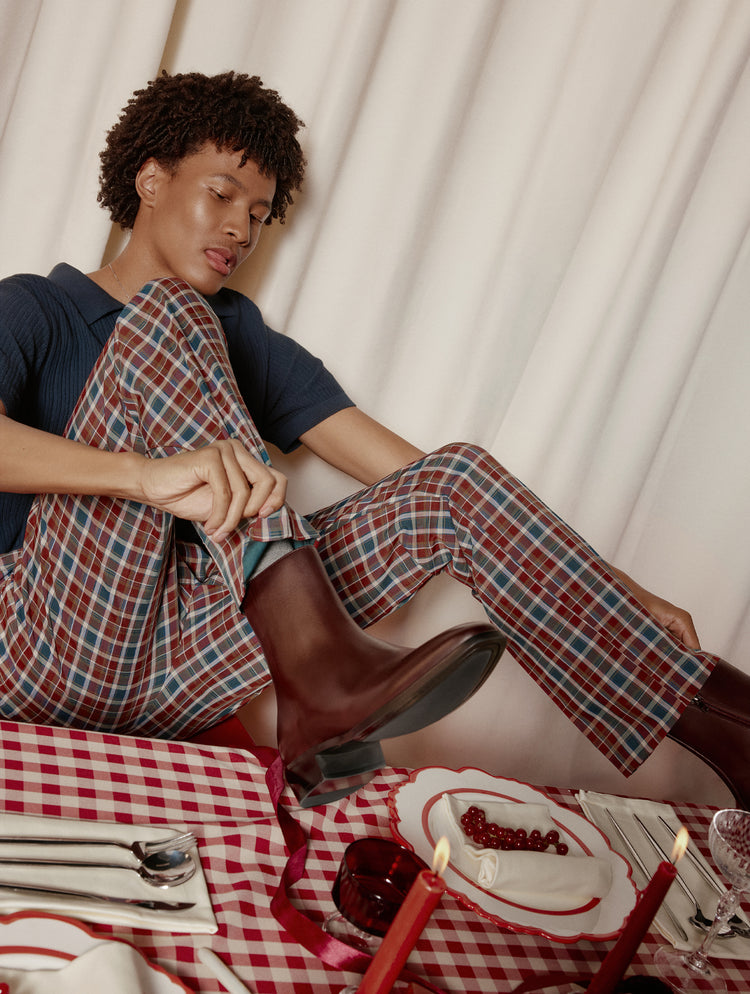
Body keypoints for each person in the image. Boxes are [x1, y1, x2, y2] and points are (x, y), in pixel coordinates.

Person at [0, 71, 747, 809]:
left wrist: (622, 589)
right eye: (222, 193)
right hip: (49, 645)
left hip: (187, 663)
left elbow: (409, 472)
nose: (240, 229)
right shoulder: (38, 308)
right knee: (169, 313)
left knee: (455, 479)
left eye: (260, 215)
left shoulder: (237, 338)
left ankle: (727, 728)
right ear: (151, 179)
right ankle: (314, 660)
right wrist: (140, 475)